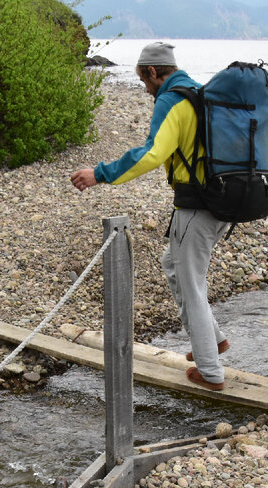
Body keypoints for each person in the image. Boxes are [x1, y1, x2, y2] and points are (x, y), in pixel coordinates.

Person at [70, 42, 231, 391]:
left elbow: (152, 153)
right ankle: (213, 340)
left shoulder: (172, 99)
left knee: (190, 282)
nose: (144, 88)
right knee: (173, 261)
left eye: (144, 80)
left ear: (154, 72)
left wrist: (100, 174)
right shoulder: (199, 93)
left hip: (198, 206)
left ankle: (210, 371)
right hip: (224, 201)